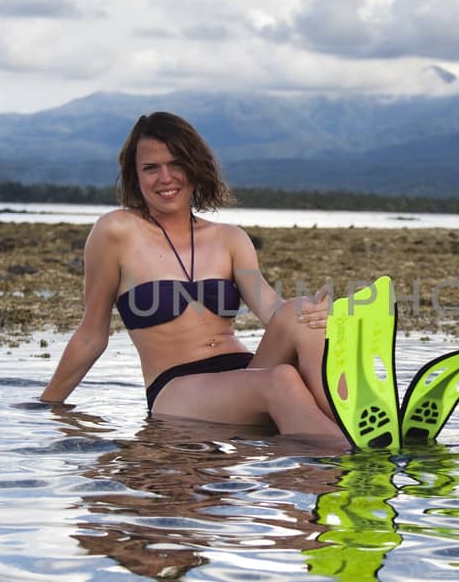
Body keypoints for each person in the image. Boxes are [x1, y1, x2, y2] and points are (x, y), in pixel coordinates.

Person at [40, 111, 348, 445]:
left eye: (176, 164)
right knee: (282, 380)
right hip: (178, 388)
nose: (165, 178)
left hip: (243, 373)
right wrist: (47, 405)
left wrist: (319, 314)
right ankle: (356, 465)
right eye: (150, 168)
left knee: (299, 311)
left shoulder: (230, 238)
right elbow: (91, 334)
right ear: (135, 175)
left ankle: (352, 422)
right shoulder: (116, 232)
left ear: (195, 167)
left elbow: (274, 311)